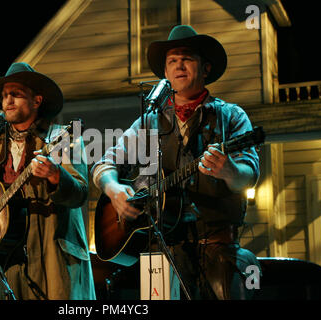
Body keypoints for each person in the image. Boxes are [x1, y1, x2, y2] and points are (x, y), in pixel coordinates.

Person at [91, 25, 261, 300]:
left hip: (217, 246)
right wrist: (114, 190)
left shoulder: (231, 116)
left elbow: (249, 174)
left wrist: (230, 171)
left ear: (205, 68)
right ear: (166, 73)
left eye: (187, 58)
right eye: (172, 61)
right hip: (161, 248)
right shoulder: (149, 121)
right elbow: (103, 165)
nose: (179, 65)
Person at [0, 62, 95, 300]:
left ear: (37, 101)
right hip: (6, 265)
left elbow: (80, 192)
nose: (8, 101)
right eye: (5, 96)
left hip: (52, 259)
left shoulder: (63, 139)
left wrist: (56, 176)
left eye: (15, 94)